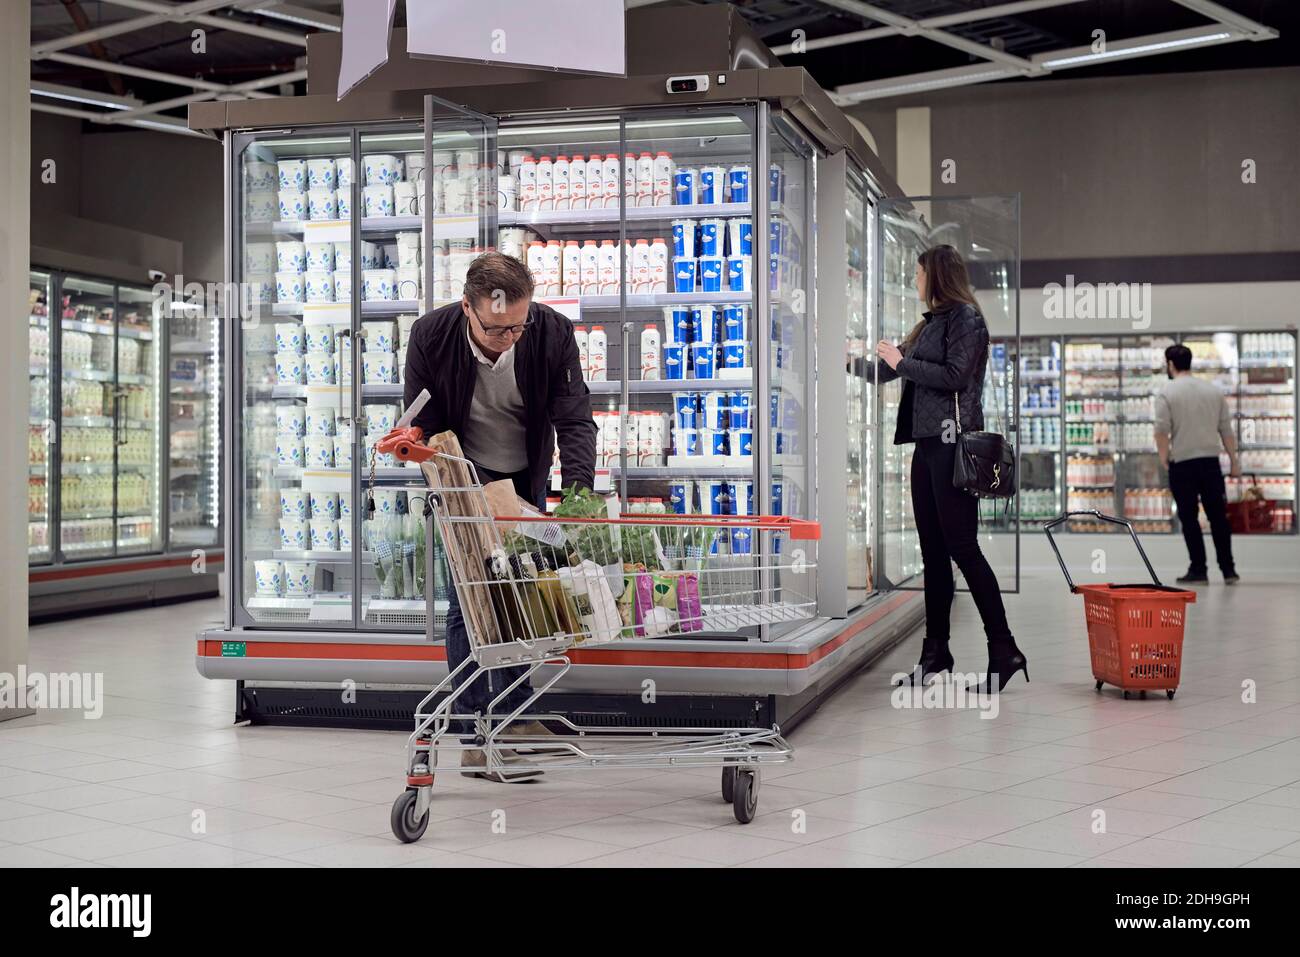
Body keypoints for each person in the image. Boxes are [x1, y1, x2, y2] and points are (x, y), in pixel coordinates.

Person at [403, 251, 598, 780]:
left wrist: (577, 496)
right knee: (467, 599)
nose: (510, 336)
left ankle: (514, 715)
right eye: (496, 330)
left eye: (518, 325)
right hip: (461, 476)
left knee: (519, 590)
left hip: (525, 477)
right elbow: (423, 424)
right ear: (468, 308)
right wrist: (426, 456)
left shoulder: (552, 333)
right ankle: (474, 731)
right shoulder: (429, 335)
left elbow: (575, 418)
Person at [874, 245, 1026, 692]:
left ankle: (1004, 649)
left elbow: (956, 375)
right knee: (934, 555)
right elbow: (895, 370)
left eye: (918, 272)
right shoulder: (931, 324)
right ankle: (936, 653)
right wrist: (848, 360)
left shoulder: (966, 319)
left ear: (936, 275)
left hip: (953, 447)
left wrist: (902, 362)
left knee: (963, 548)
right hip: (927, 448)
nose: (915, 280)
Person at [1154, 343, 1240, 585]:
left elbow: (1161, 431)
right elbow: (1226, 431)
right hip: (1210, 463)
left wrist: (1164, 458)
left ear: (1170, 364)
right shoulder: (1212, 391)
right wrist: (1234, 461)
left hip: (1182, 463)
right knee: (1218, 517)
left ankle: (1199, 569)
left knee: (1189, 518)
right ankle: (1228, 569)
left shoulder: (1167, 393)